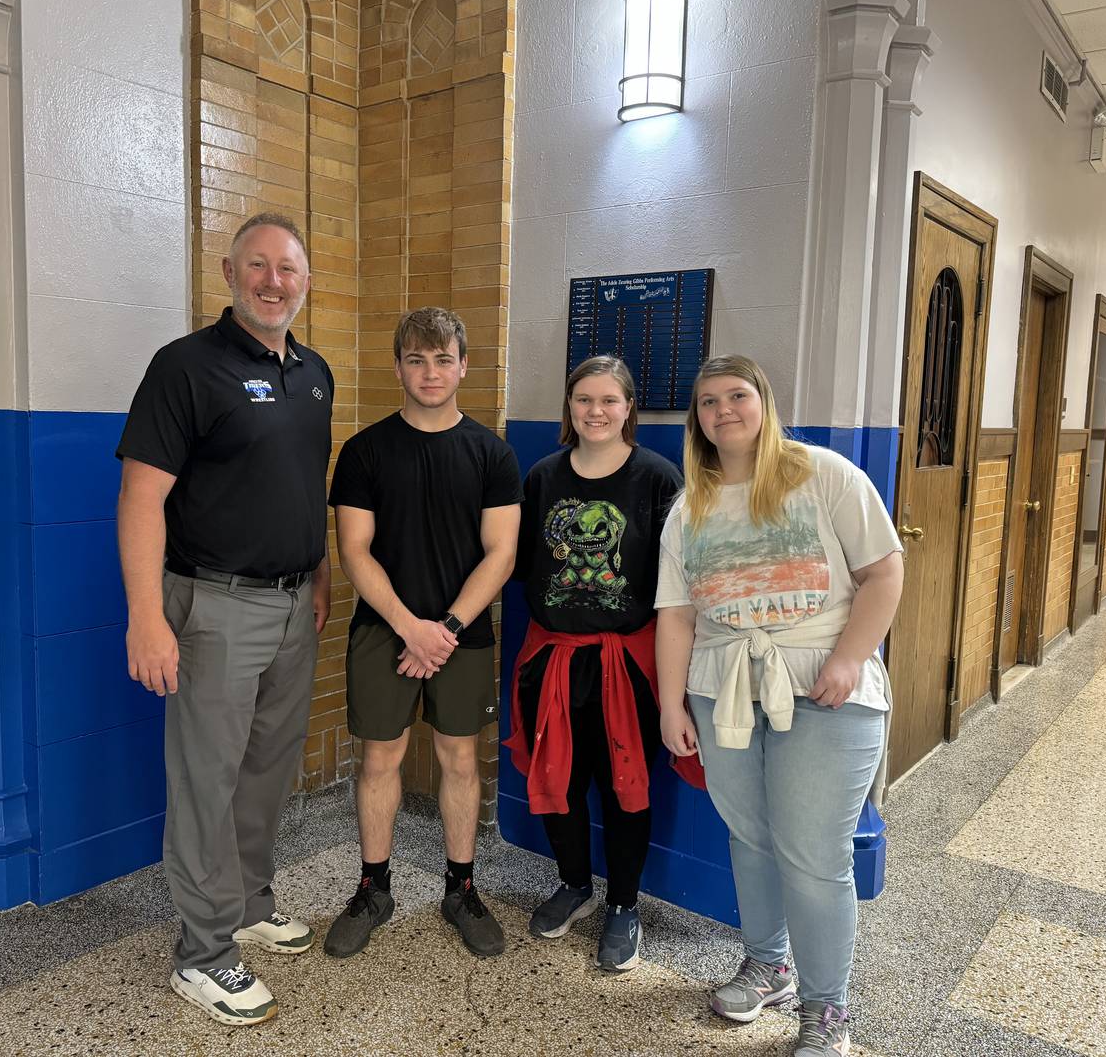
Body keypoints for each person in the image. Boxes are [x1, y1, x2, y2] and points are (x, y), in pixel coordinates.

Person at [116, 213, 333, 1026]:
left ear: (305, 281)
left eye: (288, 269)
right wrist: (147, 616)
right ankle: (202, 954)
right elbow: (141, 497)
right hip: (212, 606)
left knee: (265, 770)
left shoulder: (314, 372)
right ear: (229, 271)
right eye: (258, 266)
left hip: (291, 605)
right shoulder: (185, 368)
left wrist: (315, 571)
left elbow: (299, 483)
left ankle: (246, 903)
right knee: (206, 779)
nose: (274, 281)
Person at [654, 355, 903, 1056]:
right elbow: (675, 615)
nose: (723, 410)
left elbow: (883, 571)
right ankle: (770, 965)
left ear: (764, 402)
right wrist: (670, 704)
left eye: (737, 396)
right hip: (722, 683)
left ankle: (829, 1011)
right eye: (708, 401)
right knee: (750, 835)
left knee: (815, 852)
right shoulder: (690, 504)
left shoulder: (822, 475)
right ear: (697, 419)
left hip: (825, 682)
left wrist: (851, 656)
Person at [324, 306, 521, 959]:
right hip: (384, 631)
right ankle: (374, 888)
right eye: (416, 359)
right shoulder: (364, 451)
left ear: (464, 365)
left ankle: (461, 889)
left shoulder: (492, 454)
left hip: (462, 634)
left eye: (443, 359)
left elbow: (501, 553)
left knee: (460, 758)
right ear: (399, 366)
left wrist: (449, 628)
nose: (430, 372)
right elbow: (356, 550)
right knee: (379, 758)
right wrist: (412, 628)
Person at [504, 356, 682, 972]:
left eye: (609, 400)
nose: (596, 411)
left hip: (628, 663)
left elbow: (676, 585)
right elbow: (521, 562)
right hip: (551, 657)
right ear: (569, 407)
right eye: (584, 399)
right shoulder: (544, 477)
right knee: (559, 781)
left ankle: (625, 905)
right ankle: (575, 883)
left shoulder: (658, 479)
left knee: (624, 785)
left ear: (629, 407)